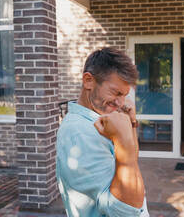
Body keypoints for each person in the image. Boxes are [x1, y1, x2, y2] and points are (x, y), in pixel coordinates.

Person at [56, 47, 149, 217]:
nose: (121, 103)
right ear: (88, 81)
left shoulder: (100, 121)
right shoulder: (83, 134)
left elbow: (131, 164)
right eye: (116, 92)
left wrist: (131, 124)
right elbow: (125, 212)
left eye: (125, 95)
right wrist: (123, 143)